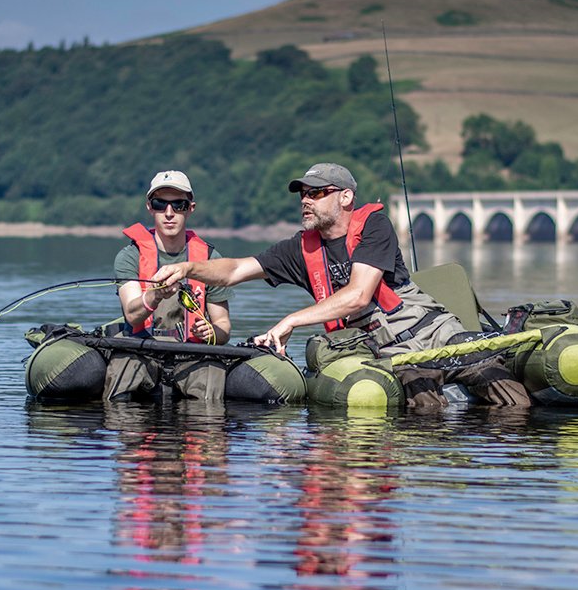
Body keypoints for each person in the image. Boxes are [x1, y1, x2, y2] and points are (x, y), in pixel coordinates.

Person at [151, 162, 529, 412]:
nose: (305, 200)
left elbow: (359, 295)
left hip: (434, 332)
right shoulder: (299, 248)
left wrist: (291, 321)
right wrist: (188, 268)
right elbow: (234, 270)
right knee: (425, 407)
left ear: (345, 197)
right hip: (392, 353)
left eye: (316, 193)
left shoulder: (375, 227)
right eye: (303, 194)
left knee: (506, 393)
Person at [106, 170, 232, 402]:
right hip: (141, 347)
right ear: (149, 207)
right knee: (122, 375)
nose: (169, 213)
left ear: (190, 208)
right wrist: (155, 296)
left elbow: (223, 326)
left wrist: (212, 333)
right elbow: (133, 315)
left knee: (210, 383)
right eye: (160, 204)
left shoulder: (211, 259)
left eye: (179, 205)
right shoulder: (129, 256)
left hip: (193, 352)